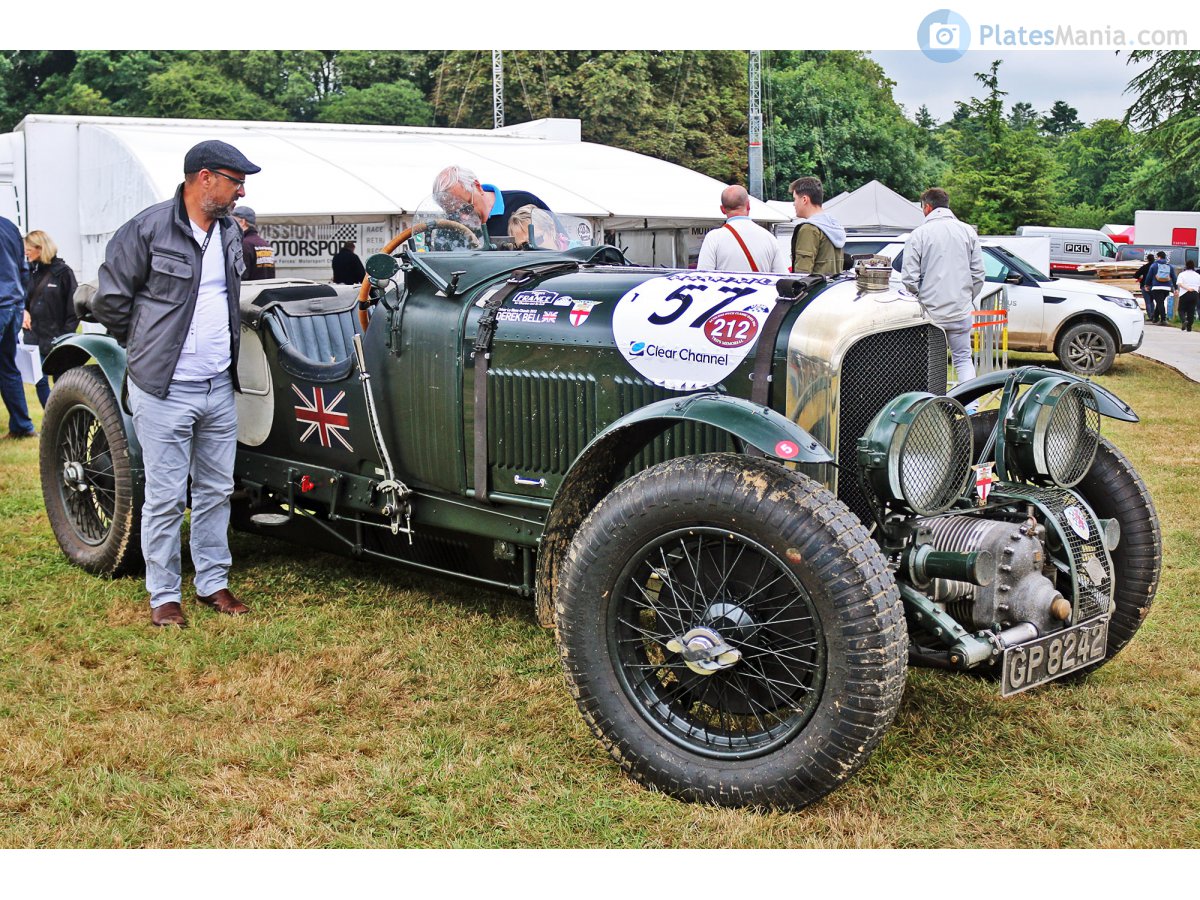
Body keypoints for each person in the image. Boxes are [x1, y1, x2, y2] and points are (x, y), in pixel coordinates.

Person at [92, 139, 260, 627]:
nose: (240, 190)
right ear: (203, 177)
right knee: (165, 497)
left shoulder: (229, 232)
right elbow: (111, 303)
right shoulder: (146, 229)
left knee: (214, 490)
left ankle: (212, 582)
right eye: (234, 180)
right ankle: (163, 595)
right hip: (163, 388)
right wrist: (146, 345)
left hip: (216, 386)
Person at [900, 187, 985, 384]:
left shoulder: (918, 234)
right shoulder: (968, 232)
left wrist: (919, 300)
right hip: (960, 310)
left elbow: (909, 278)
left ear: (928, 207)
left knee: (929, 364)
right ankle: (970, 406)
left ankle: (929, 405)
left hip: (930, 314)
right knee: (963, 360)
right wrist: (966, 298)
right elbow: (979, 274)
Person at [22, 230, 79, 408]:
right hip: (34, 337)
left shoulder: (63, 273)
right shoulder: (28, 272)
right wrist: (23, 311)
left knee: (61, 382)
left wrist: (65, 336)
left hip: (58, 339)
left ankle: (62, 417)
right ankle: (51, 419)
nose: (25, 252)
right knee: (40, 381)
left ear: (40, 248)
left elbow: (74, 309)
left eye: (28, 249)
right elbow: (19, 299)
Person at [432, 165, 551, 240]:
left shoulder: (523, 202)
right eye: (453, 213)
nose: (463, 217)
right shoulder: (449, 229)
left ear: (478, 187)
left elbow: (561, 244)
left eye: (466, 207)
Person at [696, 185, 788, 273]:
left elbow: (703, 278)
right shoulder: (769, 238)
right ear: (748, 205)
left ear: (722, 209)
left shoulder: (713, 238)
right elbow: (782, 277)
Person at [0, 214, 36, 439]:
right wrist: (20, 303)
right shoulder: (10, 227)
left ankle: (22, 425)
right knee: (7, 368)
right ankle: (22, 426)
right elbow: (24, 270)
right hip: (12, 305)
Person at [789, 176, 846, 275]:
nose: (794, 204)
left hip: (816, 290)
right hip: (832, 289)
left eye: (795, 199)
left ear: (804, 200)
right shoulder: (834, 226)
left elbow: (802, 274)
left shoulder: (809, 229)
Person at [232, 206, 275, 280]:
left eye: (233, 222)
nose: (231, 226)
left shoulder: (243, 245)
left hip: (250, 291)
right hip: (267, 290)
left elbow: (240, 278)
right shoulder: (265, 244)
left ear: (242, 222)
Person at [1147, 251, 1176, 325]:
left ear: (1158, 257)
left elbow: (1149, 276)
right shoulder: (1170, 266)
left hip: (1156, 287)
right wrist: (1175, 288)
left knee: (1160, 303)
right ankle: (1155, 318)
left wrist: (1147, 285)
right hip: (1167, 288)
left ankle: (1163, 319)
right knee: (1160, 302)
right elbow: (1174, 278)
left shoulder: (1154, 265)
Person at [1177, 261, 1200, 333]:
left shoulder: (1182, 274)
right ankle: (1189, 327)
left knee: (1181, 309)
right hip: (1195, 294)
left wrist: (1187, 288)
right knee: (1191, 311)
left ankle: (1184, 320)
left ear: (1186, 266)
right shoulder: (1197, 275)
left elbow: (1179, 283)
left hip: (1184, 293)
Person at [1133, 252, 1155, 319]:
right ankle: (1154, 316)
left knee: (1147, 302)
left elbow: (1136, 275)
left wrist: (1141, 277)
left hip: (1144, 285)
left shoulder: (1144, 267)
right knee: (1152, 301)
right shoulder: (1156, 267)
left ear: (1147, 259)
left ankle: (1150, 316)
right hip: (1154, 286)